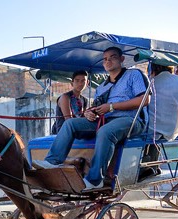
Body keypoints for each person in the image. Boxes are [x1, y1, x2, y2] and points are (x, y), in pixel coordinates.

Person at [32, 46, 150, 190]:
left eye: (112, 57)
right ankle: (53, 161)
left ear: (122, 59)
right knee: (70, 124)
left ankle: (95, 180)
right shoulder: (101, 87)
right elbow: (98, 107)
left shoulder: (134, 75)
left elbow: (144, 100)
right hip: (105, 120)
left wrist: (112, 107)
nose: (108, 61)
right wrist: (90, 113)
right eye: (105, 59)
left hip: (131, 120)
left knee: (106, 131)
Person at [51, 70, 89, 134]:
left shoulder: (84, 100)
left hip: (77, 130)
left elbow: (83, 118)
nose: (80, 83)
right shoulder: (65, 97)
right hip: (63, 132)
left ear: (87, 83)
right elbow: (68, 120)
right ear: (72, 83)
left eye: (83, 81)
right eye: (77, 81)